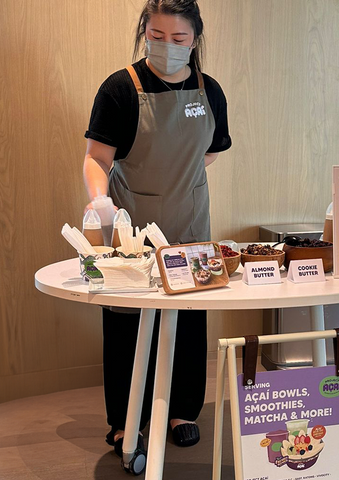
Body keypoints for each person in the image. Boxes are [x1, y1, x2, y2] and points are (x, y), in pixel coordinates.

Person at [83, 0, 231, 454]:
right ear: (144, 33)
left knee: (188, 317)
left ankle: (183, 411)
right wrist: (100, 201)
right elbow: (97, 157)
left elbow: (210, 151)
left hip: (190, 222)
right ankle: (126, 422)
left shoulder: (209, 90)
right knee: (127, 324)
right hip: (132, 227)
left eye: (179, 38)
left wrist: (178, 180)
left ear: (195, 39)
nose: (167, 46)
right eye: (157, 36)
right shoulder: (120, 89)